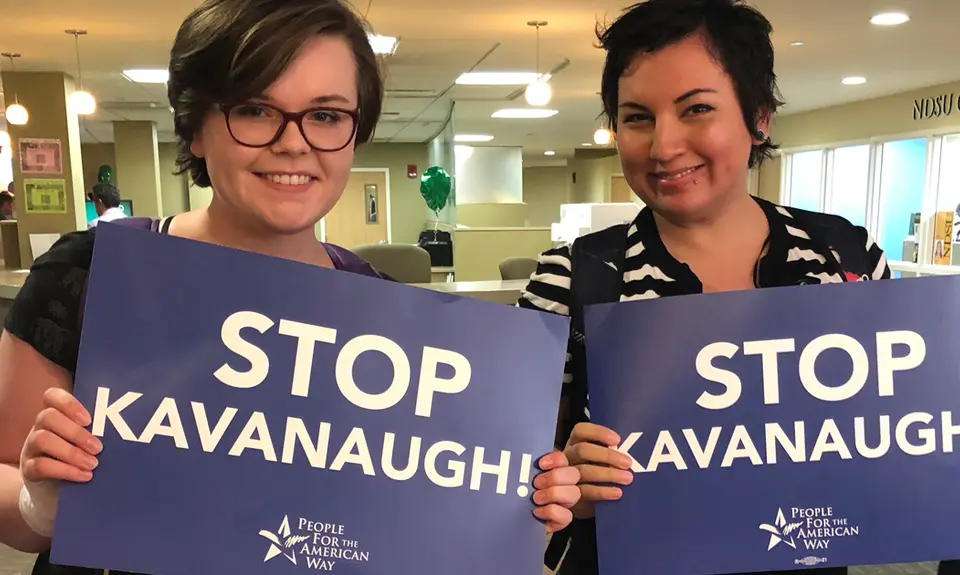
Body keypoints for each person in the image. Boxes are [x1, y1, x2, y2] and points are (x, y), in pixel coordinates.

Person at [0, 0, 580, 573]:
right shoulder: (93, 274)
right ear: (196, 129)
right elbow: (12, 494)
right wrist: (40, 504)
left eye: (326, 115)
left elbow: (404, 508)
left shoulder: (385, 311)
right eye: (255, 109)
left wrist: (514, 505)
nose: (294, 142)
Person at [519, 0, 893, 574]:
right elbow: (502, 478)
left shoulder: (842, 255)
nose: (663, 146)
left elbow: (894, 434)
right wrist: (565, 485)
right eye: (637, 117)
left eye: (696, 109)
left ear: (759, 117)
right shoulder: (574, 276)